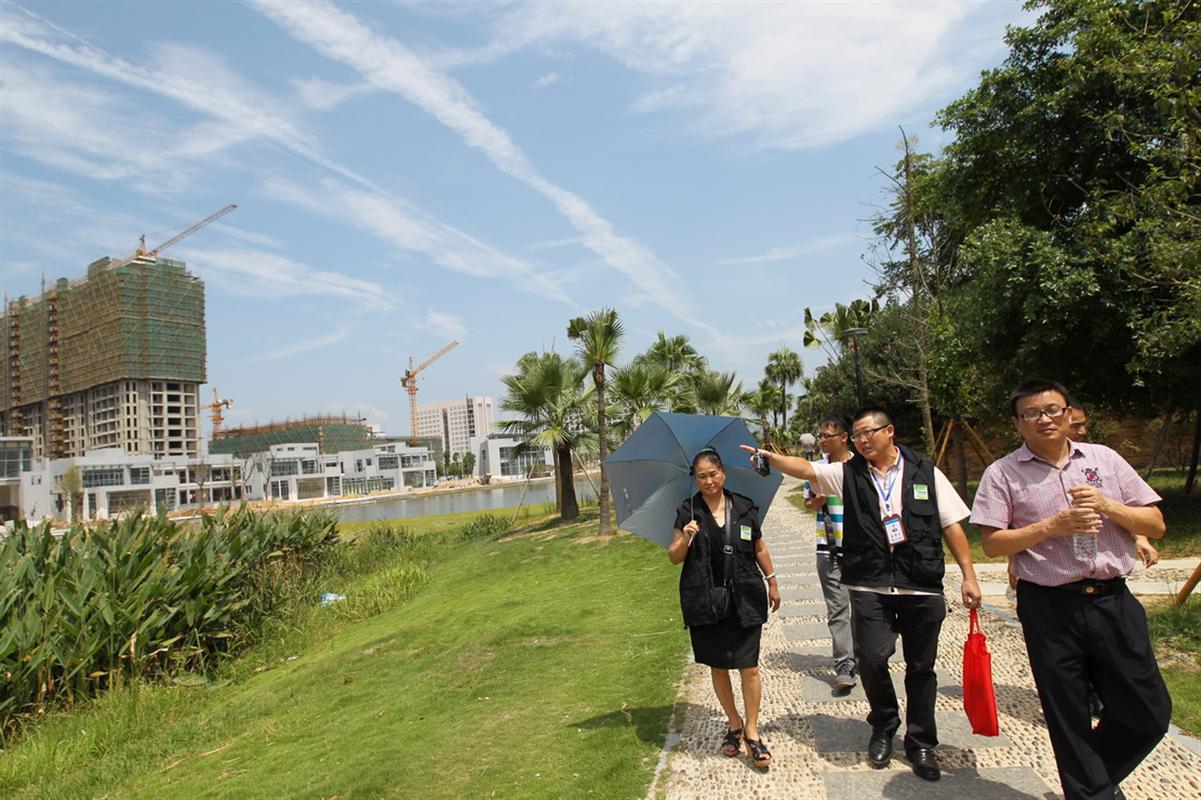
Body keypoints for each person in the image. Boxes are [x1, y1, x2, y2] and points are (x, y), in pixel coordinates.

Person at [742, 409, 982, 782]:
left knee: (921, 667)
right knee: (871, 659)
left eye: (869, 432)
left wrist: (969, 575)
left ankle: (921, 742)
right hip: (870, 583)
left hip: (919, 583)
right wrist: (771, 458)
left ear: (890, 431)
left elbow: (951, 525)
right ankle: (884, 724)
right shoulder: (848, 473)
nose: (863, 440)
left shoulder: (925, 471)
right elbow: (806, 470)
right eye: (857, 435)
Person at [970, 379, 1171, 800]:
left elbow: (1155, 524)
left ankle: (1094, 782)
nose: (1044, 419)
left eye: (1052, 410)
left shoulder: (1105, 459)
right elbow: (992, 543)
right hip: (1048, 606)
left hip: (1112, 599)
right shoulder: (1001, 473)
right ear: (1017, 423)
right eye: (1031, 413)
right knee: (1069, 714)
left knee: (1148, 710)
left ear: (1068, 414)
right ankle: (1092, 793)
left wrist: (1108, 505)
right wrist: (1051, 527)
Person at [669, 447, 781, 768]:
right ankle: (733, 723)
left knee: (749, 667)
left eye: (713, 474)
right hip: (705, 600)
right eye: (701, 476)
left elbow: (759, 547)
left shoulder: (744, 507)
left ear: (723, 473)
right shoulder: (687, 511)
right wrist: (685, 537)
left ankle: (752, 730)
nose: (708, 481)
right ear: (695, 479)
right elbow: (674, 557)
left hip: (744, 596)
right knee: (718, 666)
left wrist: (772, 581)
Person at [802, 414, 856, 691]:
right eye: (820, 435)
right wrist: (816, 502)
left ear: (844, 437)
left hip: (861, 549)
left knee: (865, 609)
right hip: (829, 548)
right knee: (837, 609)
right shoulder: (815, 469)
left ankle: (864, 656)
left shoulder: (861, 466)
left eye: (827, 436)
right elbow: (808, 503)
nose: (822, 440)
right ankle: (844, 665)